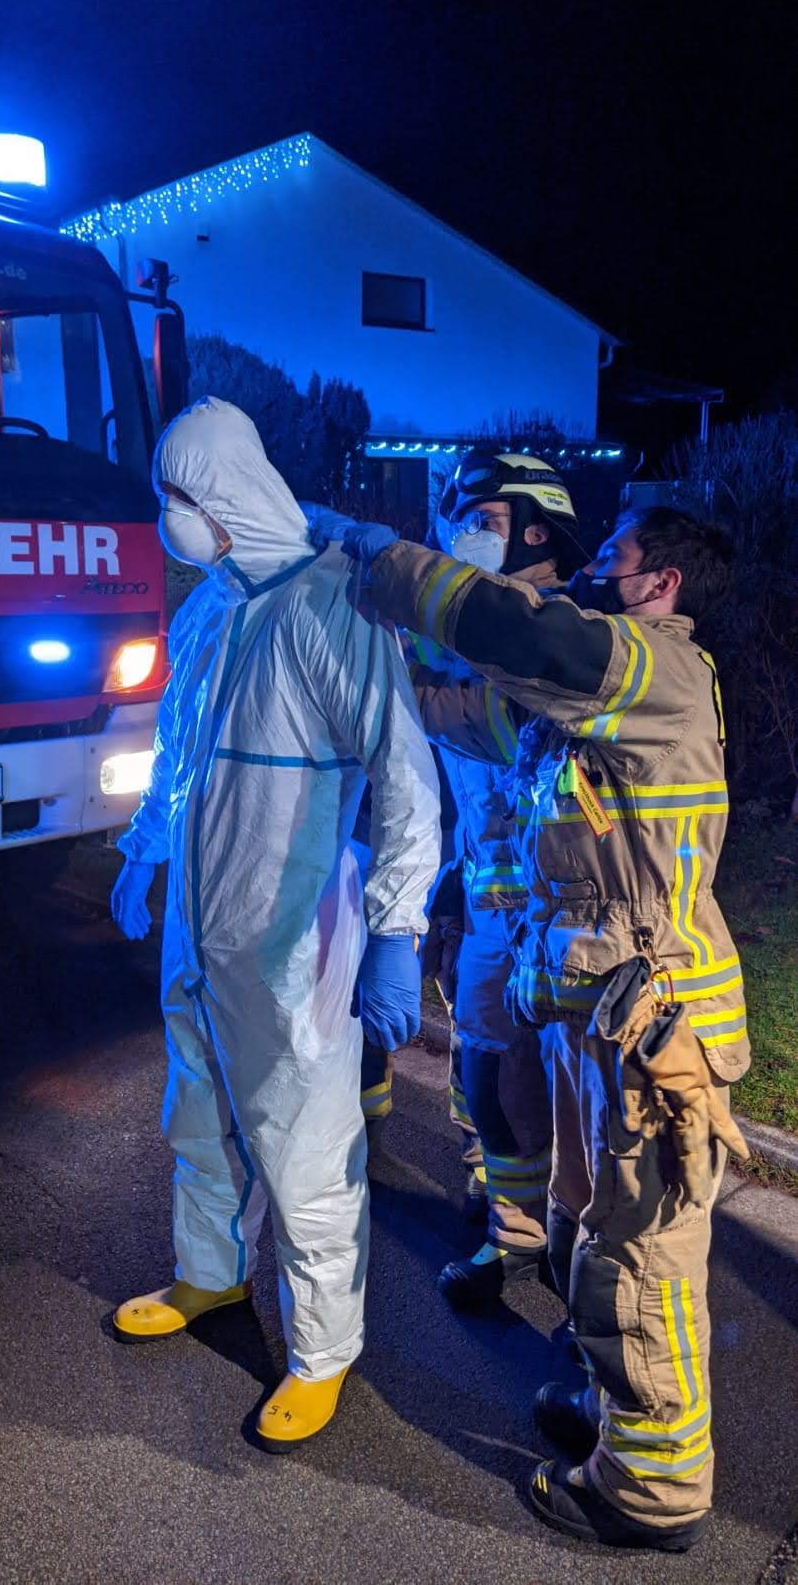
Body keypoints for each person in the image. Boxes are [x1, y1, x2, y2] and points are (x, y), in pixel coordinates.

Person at [308, 502, 749, 1550]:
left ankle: (649, 1492)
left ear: (662, 585)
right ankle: (616, 1415)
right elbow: (461, 705)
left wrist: (380, 556)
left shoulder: (655, 671)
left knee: (639, 1258)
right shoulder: (590, 710)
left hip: (655, 1037)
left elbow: (517, 633)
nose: (595, 568)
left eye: (616, 557)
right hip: (612, 1025)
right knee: (601, 1236)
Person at [110, 398, 441, 1451]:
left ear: (222, 498)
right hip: (201, 924)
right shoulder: (210, 606)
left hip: (292, 925)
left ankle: (321, 1350)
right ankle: (209, 1276)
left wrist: (395, 932)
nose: (170, 517)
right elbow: (177, 751)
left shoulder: (331, 606)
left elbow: (403, 776)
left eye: (178, 498)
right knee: (199, 1114)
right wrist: (140, 853)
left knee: (301, 1143)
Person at [405, 453, 582, 1305]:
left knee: (559, 1093)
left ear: (537, 527)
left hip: (567, 925)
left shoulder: (555, 627)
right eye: (458, 517)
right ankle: (515, 1231)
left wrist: (378, 674)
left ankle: (560, 1240)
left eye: (486, 518)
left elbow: (479, 725)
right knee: (485, 1068)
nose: (465, 532)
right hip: (491, 906)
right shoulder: (473, 627)